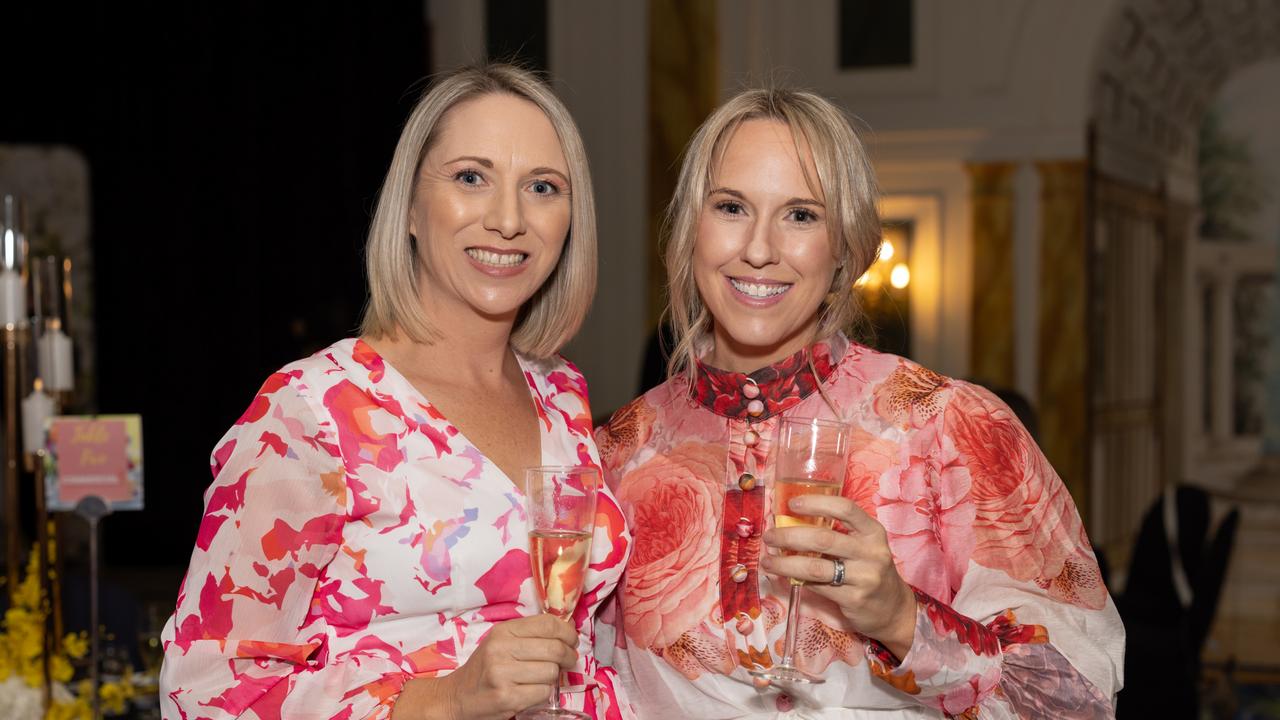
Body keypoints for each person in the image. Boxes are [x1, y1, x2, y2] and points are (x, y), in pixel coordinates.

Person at [596, 87, 1124, 718]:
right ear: (690, 231)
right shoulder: (618, 453)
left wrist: (903, 620)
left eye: (801, 216)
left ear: (846, 248)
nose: (759, 249)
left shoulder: (949, 428)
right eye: (731, 207)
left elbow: (1076, 704)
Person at [160, 64, 633, 720]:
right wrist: (447, 697)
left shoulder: (561, 395)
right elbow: (203, 690)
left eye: (543, 187)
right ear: (410, 207)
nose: (507, 218)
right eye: (472, 177)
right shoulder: (310, 412)